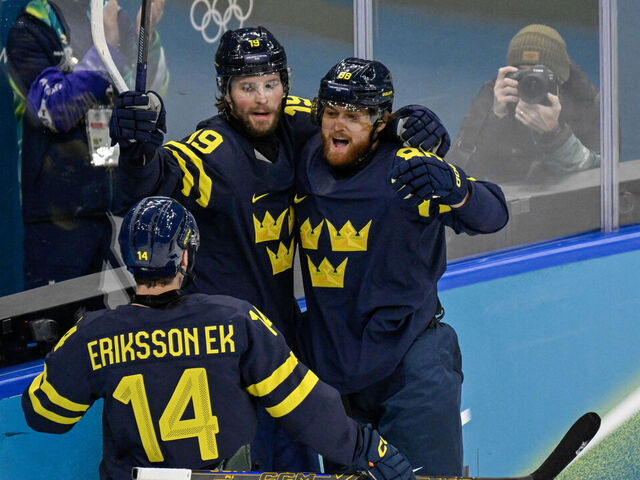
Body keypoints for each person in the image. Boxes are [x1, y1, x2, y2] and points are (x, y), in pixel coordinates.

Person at [109, 26, 448, 472]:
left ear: (285, 83)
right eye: (247, 87)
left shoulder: (300, 121)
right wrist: (138, 155)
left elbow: (362, 121)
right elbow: (153, 183)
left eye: (271, 84)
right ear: (225, 93)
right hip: (228, 361)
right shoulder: (212, 151)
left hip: (287, 354)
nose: (262, 98)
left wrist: (409, 123)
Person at [21, 195, 417, 480]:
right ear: (187, 257)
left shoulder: (93, 335)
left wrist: (65, 352)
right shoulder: (235, 320)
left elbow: (44, 416)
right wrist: (366, 448)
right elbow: (303, 406)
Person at [292, 57, 509, 476]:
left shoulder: (408, 169)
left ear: (379, 121)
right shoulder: (305, 159)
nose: (338, 126)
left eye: (353, 116)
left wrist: (458, 188)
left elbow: (494, 214)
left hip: (411, 367)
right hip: (333, 372)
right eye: (332, 113)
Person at [6, 0, 168, 290]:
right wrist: (110, 51)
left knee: (105, 325)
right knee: (55, 324)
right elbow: (54, 110)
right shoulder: (31, 26)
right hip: (55, 219)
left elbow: (151, 93)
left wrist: (147, 35)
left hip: (112, 211)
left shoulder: (110, 16)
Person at [447, 24, 600, 185]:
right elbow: (454, 180)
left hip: (570, 205)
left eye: (540, 74)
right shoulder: (496, 97)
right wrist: (495, 118)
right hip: (508, 203)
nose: (531, 83)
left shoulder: (588, 102)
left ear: (560, 79)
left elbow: (599, 180)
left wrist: (554, 135)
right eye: (523, 74)